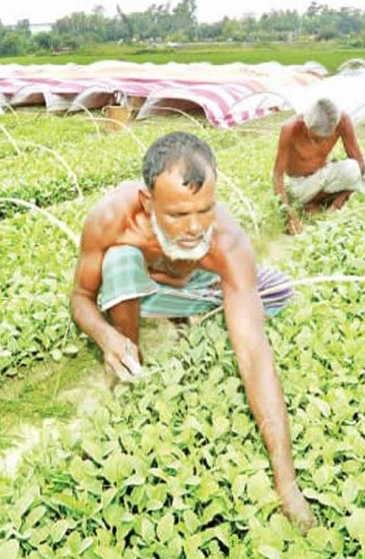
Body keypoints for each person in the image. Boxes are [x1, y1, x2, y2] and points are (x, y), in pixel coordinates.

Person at [70, 132, 316, 531]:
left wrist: (286, 482)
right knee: (119, 261)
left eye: (205, 210)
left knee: (274, 291)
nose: (195, 227)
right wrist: (106, 336)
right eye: (178, 215)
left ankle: (191, 308)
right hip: (141, 290)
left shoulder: (226, 240)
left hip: (194, 288)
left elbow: (254, 355)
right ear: (148, 202)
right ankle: (130, 361)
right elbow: (81, 297)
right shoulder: (110, 218)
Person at [273, 97, 365, 235]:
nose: (319, 143)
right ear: (305, 124)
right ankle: (312, 205)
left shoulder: (343, 120)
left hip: (326, 174)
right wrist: (289, 216)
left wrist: (340, 200)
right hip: (302, 186)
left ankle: (329, 203)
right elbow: (277, 176)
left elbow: (359, 163)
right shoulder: (290, 128)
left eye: (325, 138)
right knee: (350, 170)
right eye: (315, 138)